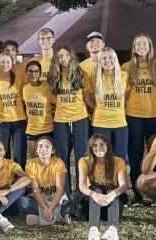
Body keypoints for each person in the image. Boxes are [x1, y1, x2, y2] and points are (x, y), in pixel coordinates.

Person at [121, 33, 156, 205]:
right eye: (137, 44)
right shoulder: (126, 66)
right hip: (134, 116)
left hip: (155, 115)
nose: (141, 47)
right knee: (135, 155)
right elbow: (124, 93)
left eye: (144, 43)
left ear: (150, 46)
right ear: (133, 47)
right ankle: (137, 193)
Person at [47, 45, 90, 194]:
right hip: (61, 121)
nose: (63, 59)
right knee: (62, 158)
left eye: (66, 56)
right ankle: (64, 193)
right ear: (56, 59)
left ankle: (81, 193)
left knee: (81, 158)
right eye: (60, 57)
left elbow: (87, 97)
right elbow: (53, 100)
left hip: (80, 118)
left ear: (71, 56)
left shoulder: (81, 74)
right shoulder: (53, 76)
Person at [78, 134, 128, 240]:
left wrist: (113, 194)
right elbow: (81, 186)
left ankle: (112, 231)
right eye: (94, 145)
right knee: (96, 189)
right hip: (91, 207)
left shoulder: (118, 161)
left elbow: (124, 185)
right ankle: (93, 231)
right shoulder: (84, 161)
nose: (98, 148)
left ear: (108, 146)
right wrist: (94, 195)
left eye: (101, 144)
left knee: (111, 190)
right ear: (91, 148)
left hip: (111, 207)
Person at [86, 47, 129, 162]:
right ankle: (103, 180)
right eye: (104, 58)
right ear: (100, 61)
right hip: (100, 123)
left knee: (120, 159)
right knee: (102, 159)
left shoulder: (124, 76)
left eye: (111, 57)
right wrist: (98, 108)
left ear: (115, 59)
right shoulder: (94, 78)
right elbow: (87, 98)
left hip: (120, 124)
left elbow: (128, 96)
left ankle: (119, 181)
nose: (107, 60)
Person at [17, 136, 72, 226]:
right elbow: (35, 190)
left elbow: (60, 189)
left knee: (70, 205)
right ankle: (59, 217)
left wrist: (51, 208)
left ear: (53, 151)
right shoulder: (31, 165)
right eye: (40, 146)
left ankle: (39, 219)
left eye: (47, 147)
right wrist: (46, 207)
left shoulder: (58, 163)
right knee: (22, 203)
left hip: (55, 199)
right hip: (40, 200)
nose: (43, 149)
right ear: (36, 149)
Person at [0, 53, 27, 166]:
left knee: (19, 152)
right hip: (2, 121)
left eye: (8, 62)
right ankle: (5, 178)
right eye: (2, 62)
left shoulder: (19, 76)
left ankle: (20, 180)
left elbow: (24, 97)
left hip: (19, 119)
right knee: (3, 152)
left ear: (12, 62)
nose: (5, 64)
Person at [22, 61, 54, 159]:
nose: (33, 74)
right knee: (34, 160)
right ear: (26, 73)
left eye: (36, 71)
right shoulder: (25, 89)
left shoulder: (47, 86)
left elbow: (55, 105)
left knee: (47, 160)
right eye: (30, 71)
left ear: (40, 73)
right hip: (32, 129)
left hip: (47, 128)